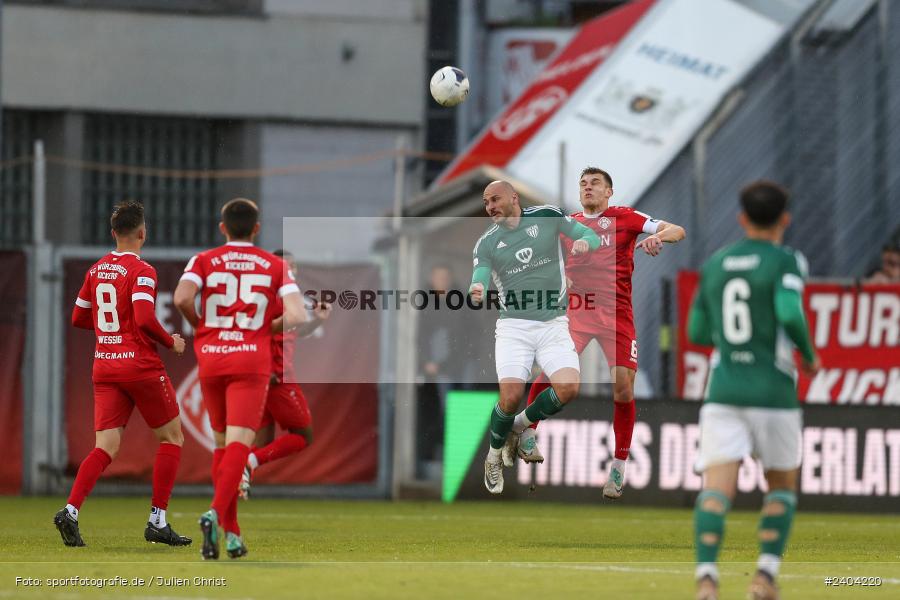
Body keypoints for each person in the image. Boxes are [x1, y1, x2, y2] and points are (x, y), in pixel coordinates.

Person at [687, 181, 819, 600]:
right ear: (785, 219)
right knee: (780, 487)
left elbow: (696, 331)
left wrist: (732, 342)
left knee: (715, 490)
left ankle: (706, 579)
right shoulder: (786, 260)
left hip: (724, 392)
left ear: (742, 218)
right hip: (773, 392)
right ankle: (764, 577)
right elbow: (789, 311)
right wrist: (808, 355)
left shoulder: (716, 263)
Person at [521, 167, 686, 499]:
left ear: (609, 192)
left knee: (623, 388)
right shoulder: (569, 224)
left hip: (617, 314)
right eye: (583, 183)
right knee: (554, 370)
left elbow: (677, 230)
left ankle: (619, 465)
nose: (588, 187)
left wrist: (658, 237)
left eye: (595, 183)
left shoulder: (625, 217)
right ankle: (527, 431)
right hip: (579, 310)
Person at [173, 198, 304, 560]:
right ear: (257, 229)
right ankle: (214, 514)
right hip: (249, 359)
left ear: (223, 228)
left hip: (212, 357)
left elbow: (182, 298)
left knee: (221, 446)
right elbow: (297, 314)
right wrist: (263, 329)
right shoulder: (274, 265)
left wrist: (202, 327)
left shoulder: (203, 260)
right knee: (240, 444)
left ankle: (232, 534)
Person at [55, 201, 191, 548]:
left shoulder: (96, 270)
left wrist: (110, 330)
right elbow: (144, 318)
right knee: (172, 438)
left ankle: (70, 511)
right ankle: (157, 521)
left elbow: (78, 318)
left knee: (105, 447)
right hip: (138, 365)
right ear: (143, 233)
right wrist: (171, 342)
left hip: (105, 364)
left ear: (113, 232)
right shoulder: (142, 270)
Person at [470, 180, 601, 494]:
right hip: (514, 328)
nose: (490, 207)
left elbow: (590, 235)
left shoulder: (547, 216)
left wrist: (585, 242)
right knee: (510, 397)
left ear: (514, 197)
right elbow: (481, 273)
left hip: (553, 324)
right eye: (486, 203)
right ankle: (493, 457)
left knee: (568, 388)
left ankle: (518, 426)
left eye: (495, 199)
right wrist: (478, 287)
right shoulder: (486, 243)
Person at [239, 250, 332, 500]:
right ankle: (244, 464)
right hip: (276, 376)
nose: (290, 270)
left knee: (263, 439)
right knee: (303, 436)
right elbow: (258, 333)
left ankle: (235, 476)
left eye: (293, 266)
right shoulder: (272, 298)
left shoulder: (283, 297)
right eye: (284, 266)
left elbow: (294, 331)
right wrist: (267, 368)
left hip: (266, 376)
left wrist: (318, 321)